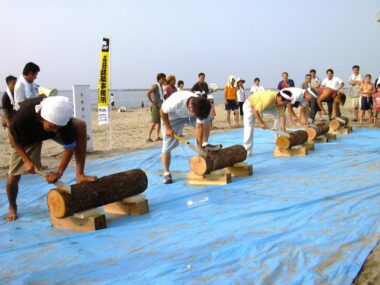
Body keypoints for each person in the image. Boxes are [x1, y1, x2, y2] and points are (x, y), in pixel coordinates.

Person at [4, 96, 97, 221]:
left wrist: (59, 172)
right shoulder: (23, 118)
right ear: (43, 118)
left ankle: (80, 174)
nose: (56, 130)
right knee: (13, 177)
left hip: (49, 127)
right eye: (53, 126)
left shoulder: (63, 124)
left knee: (80, 126)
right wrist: (26, 160)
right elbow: (12, 138)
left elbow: (69, 147)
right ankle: (12, 206)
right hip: (27, 137)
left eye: (58, 128)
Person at [159, 91, 221, 184]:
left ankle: (205, 144)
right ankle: (166, 173)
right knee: (167, 145)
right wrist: (168, 128)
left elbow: (199, 127)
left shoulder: (199, 104)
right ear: (191, 107)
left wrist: (199, 148)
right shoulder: (175, 103)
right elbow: (162, 111)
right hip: (172, 118)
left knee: (207, 118)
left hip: (190, 115)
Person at [243, 90, 291, 156]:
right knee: (249, 128)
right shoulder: (268, 99)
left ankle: (280, 143)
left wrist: (283, 129)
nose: (283, 105)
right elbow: (255, 110)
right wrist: (261, 122)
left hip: (269, 106)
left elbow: (282, 116)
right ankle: (247, 151)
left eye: (285, 104)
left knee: (279, 115)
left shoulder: (282, 102)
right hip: (250, 105)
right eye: (283, 103)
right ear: (279, 97)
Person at [146, 73, 165, 142]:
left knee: (159, 122)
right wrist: (152, 101)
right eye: (163, 79)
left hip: (160, 106)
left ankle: (157, 136)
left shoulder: (161, 87)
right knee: (153, 122)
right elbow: (148, 93)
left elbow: (161, 96)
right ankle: (149, 137)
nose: (164, 81)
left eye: (164, 79)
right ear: (158, 79)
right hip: (156, 106)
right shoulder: (156, 86)